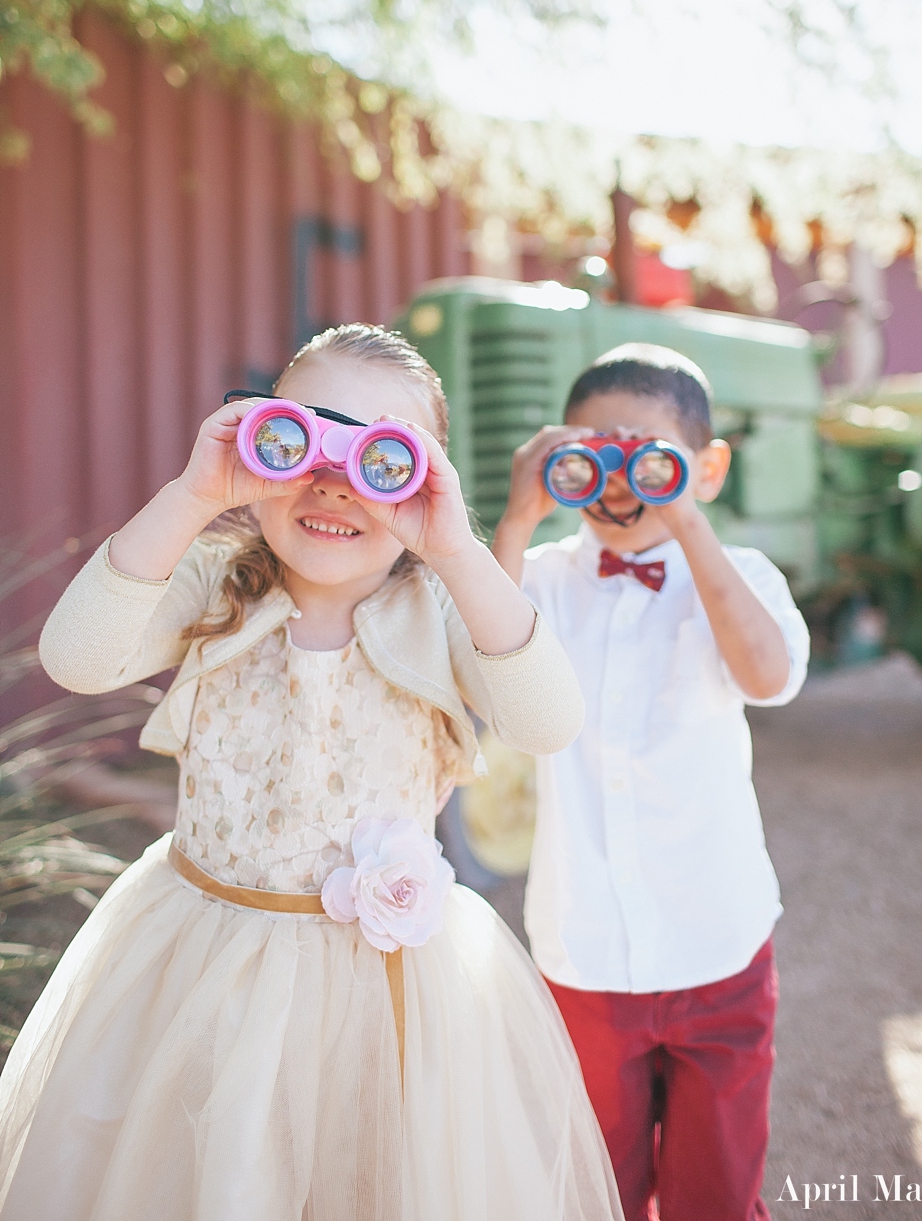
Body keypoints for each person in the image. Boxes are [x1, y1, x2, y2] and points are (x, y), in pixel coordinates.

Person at [0, 324, 624, 1221]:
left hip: (386, 988)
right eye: (300, 443)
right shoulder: (216, 579)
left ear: (426, 482)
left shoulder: (440, 605)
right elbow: (76, 657)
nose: (334, 482)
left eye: (382, 460)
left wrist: (453, 547)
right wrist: (191, 493)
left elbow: (546, 719)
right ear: (258, 444)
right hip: (202, 959)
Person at [492, 343, 810, 1221]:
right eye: (593, 455)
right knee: (596, 1188)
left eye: (647, 457)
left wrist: (686, 529)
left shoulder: (739, 576)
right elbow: (475, 673)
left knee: (718, 1188)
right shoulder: (544, 580)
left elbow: (765, 675)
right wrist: (515, 522)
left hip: (717, 940)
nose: (620, 480)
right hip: (585, 947)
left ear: (704, 468)